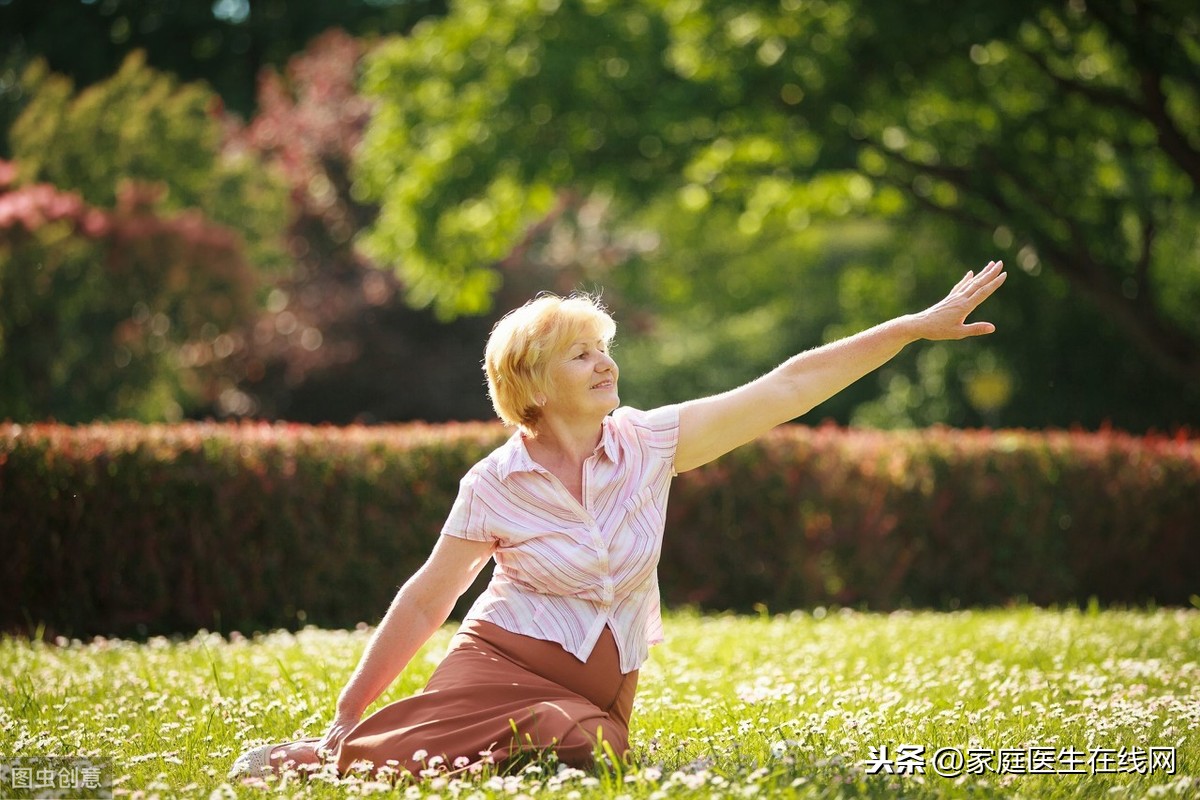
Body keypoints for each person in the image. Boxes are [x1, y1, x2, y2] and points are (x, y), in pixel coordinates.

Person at [229, 259, 1007, 781]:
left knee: (592, 742)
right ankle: (316, 754)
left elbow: (786, 387)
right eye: (580, 356)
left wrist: (908, 328)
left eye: (604, 350)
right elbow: (429, 598)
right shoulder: (495, 482)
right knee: (573, 747)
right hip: (499, 664)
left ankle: (433, 741)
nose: (606, 364)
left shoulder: (650, 444)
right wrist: (350, 705)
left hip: (601, 687)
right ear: (531, 383)